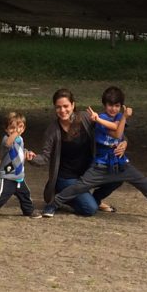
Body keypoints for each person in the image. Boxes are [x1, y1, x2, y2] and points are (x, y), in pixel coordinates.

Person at [42, 86, 147, 222]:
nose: (113, 109)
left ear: (73, 105)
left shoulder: (114, 117)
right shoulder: (97, 118)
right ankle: (53, 204)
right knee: (81, 187)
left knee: (143, 181)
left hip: (118, 162)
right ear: (104, 105)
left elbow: (120, 135)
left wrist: (124, 142)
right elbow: (115, 131)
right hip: (99, 165)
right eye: (110, 105)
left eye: (117, 105)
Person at [29, 88, 123, 216]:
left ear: (73, 105)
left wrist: (125, 142)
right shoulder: (53, 130)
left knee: (119, 175)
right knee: (89, 209)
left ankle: (94, 199)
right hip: (67, 177)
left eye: (66, 106)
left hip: (88, 174)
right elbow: (45, 158)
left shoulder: (85, 118)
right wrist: (30, 158)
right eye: (58, 107)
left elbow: (111, 132)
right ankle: (60, 194)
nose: (62, 110)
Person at [0, 111, 41, 225]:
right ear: (6, 129)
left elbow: (18, 150)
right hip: (7, 175)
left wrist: (27, 153)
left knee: (25, 194)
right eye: (12, 128)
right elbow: (8, 144)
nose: (16, 130)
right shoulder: (6, 139)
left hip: (18, 175)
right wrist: (15, 133)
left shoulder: (20, 139)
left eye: (20, 127)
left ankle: (28, 210)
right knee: (1, 196)